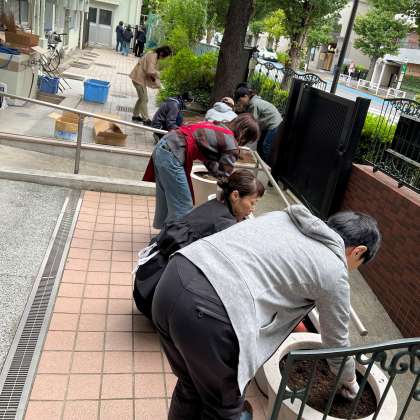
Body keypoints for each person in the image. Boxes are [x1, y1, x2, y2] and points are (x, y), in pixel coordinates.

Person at [152, 207, 381, 419]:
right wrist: (349, 380)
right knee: (222, 409)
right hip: (210, 314)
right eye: (358, 264)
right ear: (358, 251)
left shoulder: (283, 218)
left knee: (190, 385)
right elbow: (336, 341)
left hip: (173, 279)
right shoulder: (335, 270)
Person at [133, 169, 265, 320]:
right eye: (252, 203)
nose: (253, 209)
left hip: (145, 286)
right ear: (235, 196)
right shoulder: (225, 225)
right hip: (154, 301)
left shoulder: (215, 204)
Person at [143, 114, 260, 229]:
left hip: (164, 145)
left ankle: (164, 233)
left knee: (166, 199)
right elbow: (225, 177)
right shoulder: (231, 144)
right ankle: (174, 237)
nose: (243, 143)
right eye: (248, 140)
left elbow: (207, 160)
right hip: (173, 153)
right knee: (183, 206)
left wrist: (220, 176)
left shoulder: (218, 126)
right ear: (244, 134)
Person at [234, 84, 282, 164]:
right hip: (268, 124)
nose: (239, 103)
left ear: (246, 96)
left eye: (239, 100)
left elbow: (251, 123)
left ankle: (267, 166)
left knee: (266, 146)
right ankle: (259, 163)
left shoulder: (253, 104)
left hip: (274, 124)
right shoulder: (251, 102)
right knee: (260, 145)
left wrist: (242, 139)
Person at [129, 45, 172, 125]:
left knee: (141, 98)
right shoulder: (153, 56)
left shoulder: (153, 54)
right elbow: (150, 71)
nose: (163, 59)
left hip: (138, 77)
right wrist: (158, 75)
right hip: (139, 79)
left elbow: (151, 73)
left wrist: (159, 84)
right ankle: (146, 119)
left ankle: (135, 116)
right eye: (164, 56)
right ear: (161, 53)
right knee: (144, 99)